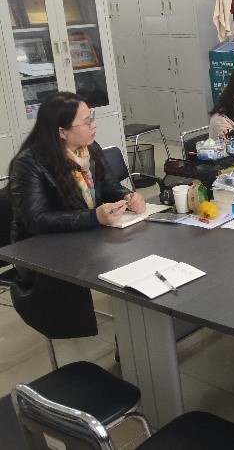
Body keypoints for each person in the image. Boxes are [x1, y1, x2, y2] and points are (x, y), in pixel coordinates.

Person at [8, 92, 147, 339]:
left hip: (87, 236)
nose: (94, 125)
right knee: (125, 264)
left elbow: (108, 184)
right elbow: (36, 219)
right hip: (44, 250)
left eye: (91, 118)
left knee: (139, 255)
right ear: (62, 132)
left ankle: (135, 332)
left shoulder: (88, 149)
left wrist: (128, 196)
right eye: (86, 122)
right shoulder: (29, 163)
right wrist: (94, 217)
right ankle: (134, 337)